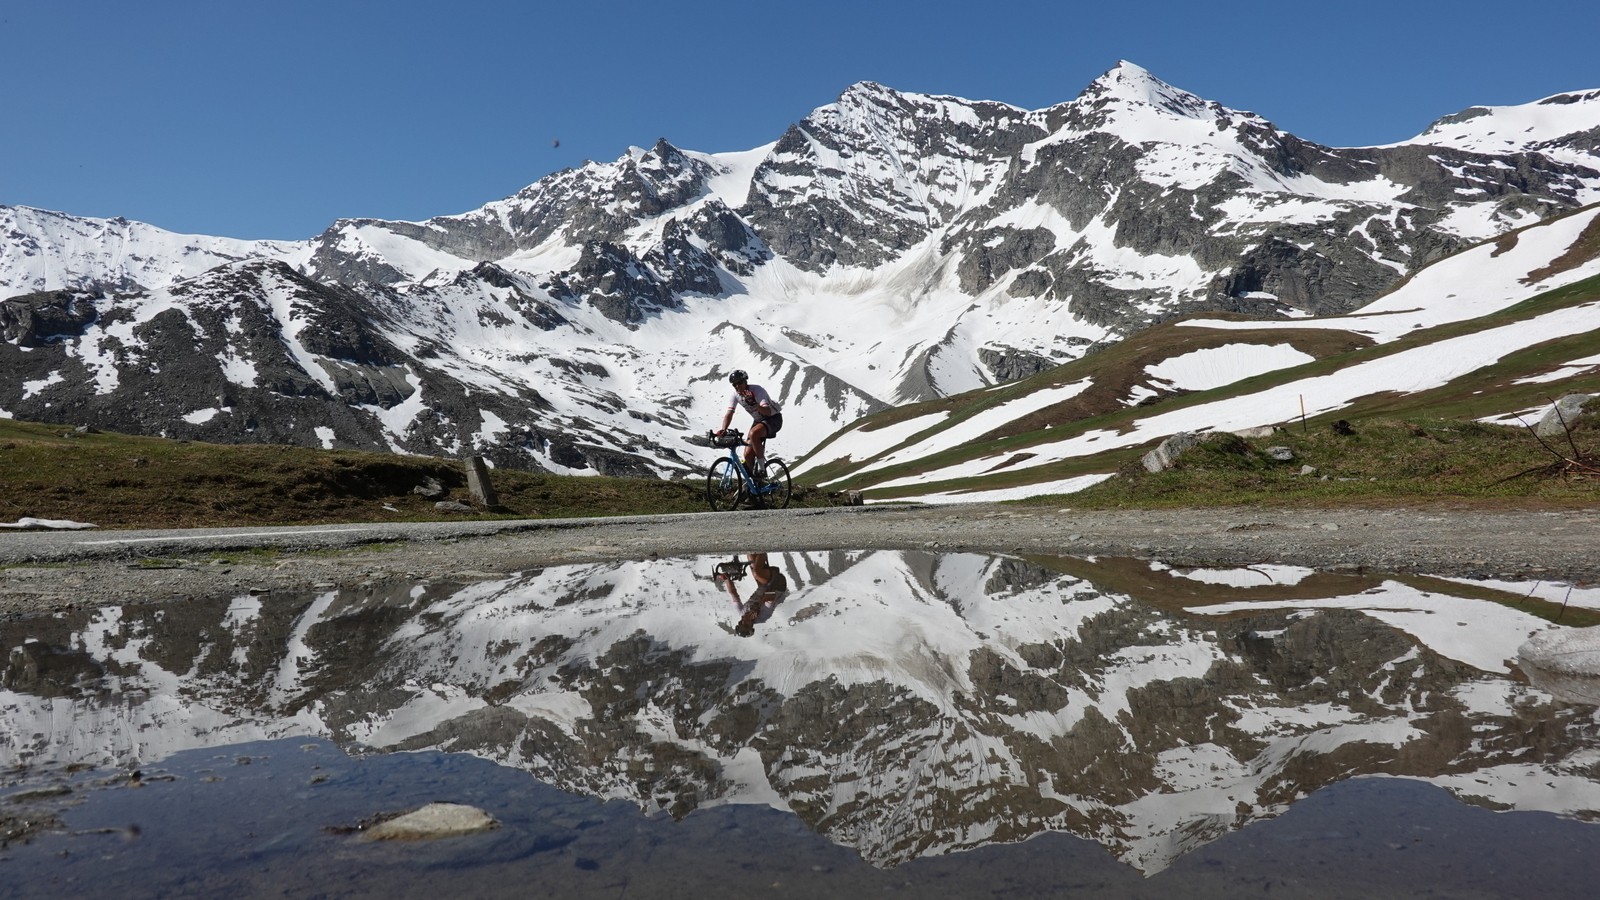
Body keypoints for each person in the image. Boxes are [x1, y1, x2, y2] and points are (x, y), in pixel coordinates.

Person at [716, 370, 783, 478]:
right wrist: (724, 429)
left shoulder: (757, 390)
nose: (737, 386)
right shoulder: (735, 395)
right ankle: (754, 484)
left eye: (740, 383)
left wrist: (755, 404)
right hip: (758, 421)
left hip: (773, 418)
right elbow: (729, 413)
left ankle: (762, 469)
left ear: (745, 381)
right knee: (747, 455)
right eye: (734, 384)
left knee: (753, 434)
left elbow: (767, 411)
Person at [715, 553, 789, 636]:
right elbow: (770, 596)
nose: (743, 621)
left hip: (763, 586)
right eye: (746, 625)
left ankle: (757, 547)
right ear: (751, 625)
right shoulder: (763, 617)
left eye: (740, 623)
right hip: (777, 585)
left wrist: (726, 579)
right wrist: (757, 606)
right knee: (756, 573)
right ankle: (763, 550)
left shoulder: (741, 612)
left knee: (750, 556)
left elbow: (733, 593)